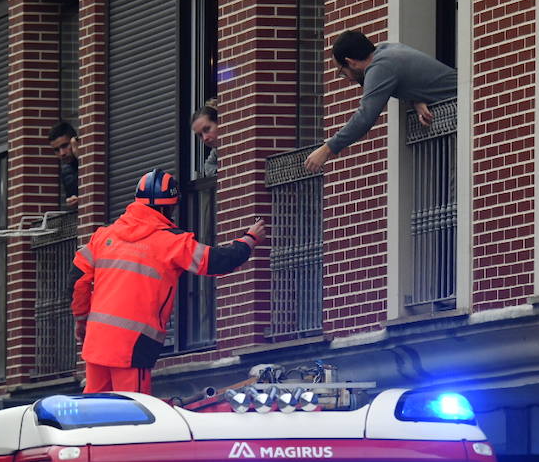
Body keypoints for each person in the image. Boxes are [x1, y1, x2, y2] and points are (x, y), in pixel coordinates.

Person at [70, 169, 266, 394]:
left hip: (97, 340)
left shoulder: (104, 236)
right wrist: (249, 240)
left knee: (93, 413)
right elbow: (218, 262)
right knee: (133, 412)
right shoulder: (172, 242)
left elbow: (77, 280)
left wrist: (82, 319)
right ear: (169, 206)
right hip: (134, 344)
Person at [303, 30, 458, 173]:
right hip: (457, 108)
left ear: (351, 62)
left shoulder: (380, 67)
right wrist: (416, 100)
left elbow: (365, 117)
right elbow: (413, 75)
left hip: (460, 114)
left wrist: (327, 149)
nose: (348, 79)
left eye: (343, 73)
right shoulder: (387, 51)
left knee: (455, 178)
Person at [49, 121, 79, 208]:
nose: (62, 153)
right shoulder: (67, 172)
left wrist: (79, 157)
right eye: (57, 150)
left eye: (65, 146)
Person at [191, 104, 219, 179]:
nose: (205, 138)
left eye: (207, 129)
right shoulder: (215, 154)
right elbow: (208, 167)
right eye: (200, 135)